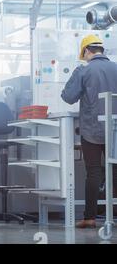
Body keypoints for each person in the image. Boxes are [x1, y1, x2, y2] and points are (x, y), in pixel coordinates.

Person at [61, 35, 117, 228]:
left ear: (86, 51)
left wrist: (77, 75)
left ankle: (90, 218)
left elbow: (68, 97)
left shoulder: (84, 70)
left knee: (93, 172)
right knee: (116, 171)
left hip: (92, 130)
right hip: (115, 130)